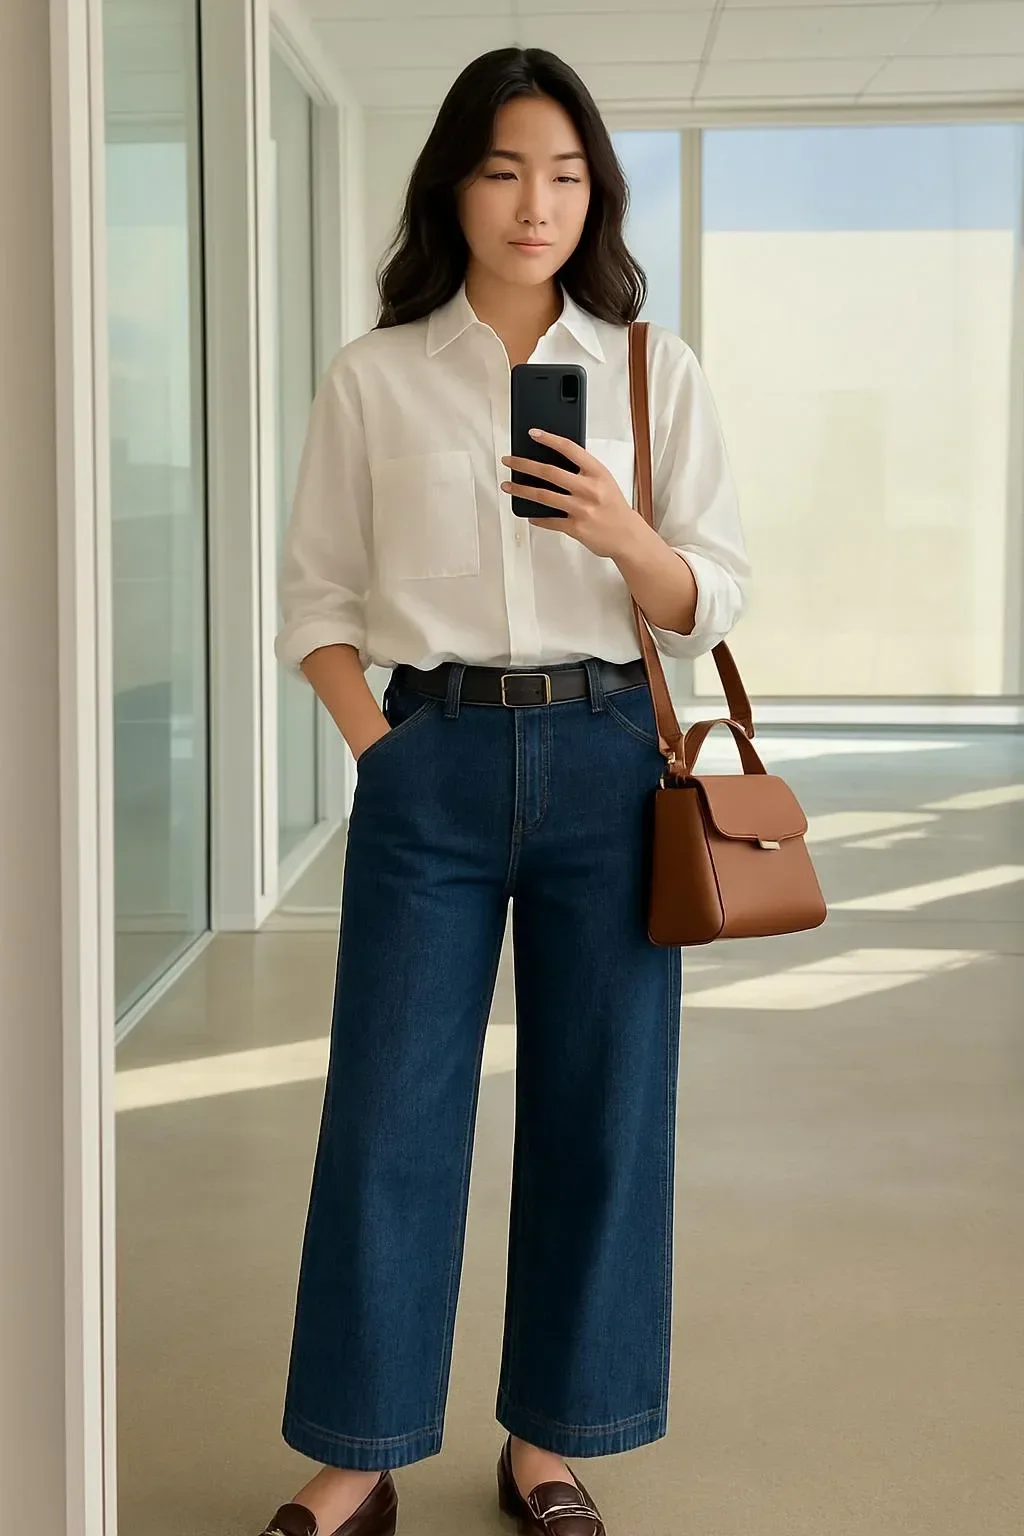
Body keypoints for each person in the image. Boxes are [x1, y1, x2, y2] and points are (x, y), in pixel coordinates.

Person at [257, 44, 750, 1536]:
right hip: (433, 762)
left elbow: (711, 599)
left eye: (567, 174)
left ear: (597, 195)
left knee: (604, 1111)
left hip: (611, 758)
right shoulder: (376, 375)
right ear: (453, 187)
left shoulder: (654, 370)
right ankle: (361, 1453)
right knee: (387, 1112)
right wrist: (380, 750)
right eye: (502, 169)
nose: (536, 203)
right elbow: (315, 600)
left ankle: (551, 1442)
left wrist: (620, 530)